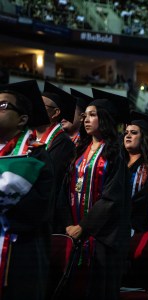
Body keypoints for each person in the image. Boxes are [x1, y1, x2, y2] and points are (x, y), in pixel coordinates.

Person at [57, 89, 131, 300]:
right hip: (74, 232)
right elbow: (65, 190)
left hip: (102, 239)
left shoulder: (114, 154)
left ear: (104, 119)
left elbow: (112, 199)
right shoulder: (80, 150)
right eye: (85, 115)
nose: (86, 120)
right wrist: (68, 224)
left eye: (92, 115)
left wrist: (84, 226)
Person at [0, 80, 54, 300]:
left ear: (22, 119)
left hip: (20, 251)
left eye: (3, 106)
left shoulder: (34, 155)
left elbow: (36, 209)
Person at [124, 110, 148, 233]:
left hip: (139, 226)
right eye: (126, 133)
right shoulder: (117, 162)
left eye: (133, 133)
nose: (128, 136)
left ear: (143, 138)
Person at [38, 82, 76, 193]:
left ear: (55, 113)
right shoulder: (28, 136)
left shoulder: (63, 143)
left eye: (41, 105)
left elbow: (52, 179)